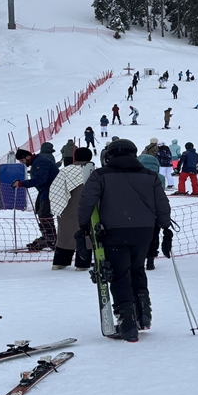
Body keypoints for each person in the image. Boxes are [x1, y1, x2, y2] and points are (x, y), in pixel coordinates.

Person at [78, 139, 171, 340]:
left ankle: (127, 322)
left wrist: (82, 225)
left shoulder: (101, 175)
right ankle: (143, 314)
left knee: (119, 274)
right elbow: (162, 204)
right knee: (137, 269)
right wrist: (165, 226)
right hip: (144, 232)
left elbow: (87, 201)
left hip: (114, 231)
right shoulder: (150, 176)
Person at [49, 148, 96, 270]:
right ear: (90, 158)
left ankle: (60, 262)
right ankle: (82, 264)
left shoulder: (64, 172)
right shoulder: (93, 172)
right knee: (86, 237)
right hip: (88, 211)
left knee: (65, 237)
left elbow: (55, 191)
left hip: (66, 211)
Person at [12, 144, 59, 250]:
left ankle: (50, 238)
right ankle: (47, 236)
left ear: (27, 157)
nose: (22, 163)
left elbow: (40, 179)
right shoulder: (37, 161)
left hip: (51, 190)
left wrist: (21, 184)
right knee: (40, 211)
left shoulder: (40, 162)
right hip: (45, 190)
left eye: (22, 160)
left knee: (44, 214)